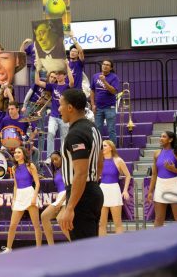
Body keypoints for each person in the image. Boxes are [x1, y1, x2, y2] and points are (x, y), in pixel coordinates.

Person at [58, 88, 104, 240]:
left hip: (82, 195)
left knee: (84, 250)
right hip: (91, 191)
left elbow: (81, 173)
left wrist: (70, 207)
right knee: (88, 244)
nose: (59, 109)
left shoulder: (76, 133)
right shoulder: (93, 128)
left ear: (70, 108)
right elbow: (100, 160)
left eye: (60, 105)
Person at [147, 131, 177, 227]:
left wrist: (174, 169)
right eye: (160, 136)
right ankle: (157, 241)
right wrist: (150, 191)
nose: (161, 138)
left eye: (164, 136)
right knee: (158, 219)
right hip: (160, 186)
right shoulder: (156, 153)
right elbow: (154, 174)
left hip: (174, 185)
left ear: (171, 139)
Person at [1, 147, 41, 253]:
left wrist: (34, 197)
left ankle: (39, 249)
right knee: (12, 225)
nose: (16, 154)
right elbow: (15, 185)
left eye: (19, 152)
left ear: (24, 154)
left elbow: (37, 183)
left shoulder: (30, 166)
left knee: (36, 225)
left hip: (29, 194)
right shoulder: (14, 168)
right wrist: (14, 199)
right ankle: (9, 248)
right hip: (19, 195)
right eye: (15, 153)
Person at [35, 65, 74, 156]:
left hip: (64, 117)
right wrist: (37, 70)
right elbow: (37, 82)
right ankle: (50, 156)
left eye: (60, 74)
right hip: (53, 115)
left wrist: (67, 66)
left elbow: (72, 82)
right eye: (57, 74)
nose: (58, 76)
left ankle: (64, 156)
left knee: (64, 138)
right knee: (50, 133)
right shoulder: (52, 86)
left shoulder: (67, 86)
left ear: (64, 76)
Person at [99, 140, 131, 236]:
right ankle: (102, 247)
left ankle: (120, 248)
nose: (102, 147)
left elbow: (128, 175)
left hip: (114, 190)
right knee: (101, 224)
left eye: (104, 146)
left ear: (111, 147)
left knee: (117, 223)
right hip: (102, 190)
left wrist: (125, 190)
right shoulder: (99, 160)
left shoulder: (118, 160)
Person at [41, 151, 70, 245]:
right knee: (44, 216)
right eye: (52, 160)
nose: (54, 162)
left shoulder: (68, 169)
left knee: (60, 219)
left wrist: (61, 201)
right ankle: (51, 246)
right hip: (60, 197)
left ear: (62, 157)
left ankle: (75, 244)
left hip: (69, 195)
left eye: (56, 159)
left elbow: (71, 187)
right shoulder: (56, 171)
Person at [90, 59, 120, 144]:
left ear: (110, 68)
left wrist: (104, 81)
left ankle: (113, 151)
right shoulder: (95, 76)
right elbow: (92, 90)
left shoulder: (114, 77)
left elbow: (114, 91)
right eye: (104, 64)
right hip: (98, 107)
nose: (105, 66)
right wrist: (92, 104)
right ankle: (98, 149)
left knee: (111, 129)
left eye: (107, 65)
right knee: (97, 129)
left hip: (110, 107)